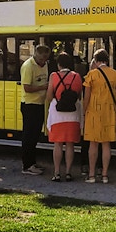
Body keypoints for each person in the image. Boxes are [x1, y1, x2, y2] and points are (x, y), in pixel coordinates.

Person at [83, 49, 116, 184]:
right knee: (106, 145)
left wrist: (84, 111)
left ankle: (91, 175)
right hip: (109, 112)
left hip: (94, 112)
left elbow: (87, 96)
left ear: (95, 60)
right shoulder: (115, 74)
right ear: (107, 60)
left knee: (93, 144)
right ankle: (105, 175)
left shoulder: (91, 74)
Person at [46, 52, 83, 181]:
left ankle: (56, 172)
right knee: (70, 144)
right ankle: (68, 172)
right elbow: (78, 96)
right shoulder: (77, 77)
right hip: (72, 114)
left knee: (57, 144)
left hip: (57, 114)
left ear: (58, 64)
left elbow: (49, 96)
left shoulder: (53, 76)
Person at [20, 44, 51, 175]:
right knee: (29, 136)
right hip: (29, 104)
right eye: (41, 60)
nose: (43, 62)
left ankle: (32, 162)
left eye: (45, 60)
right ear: (36, 55)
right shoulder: (28, 66)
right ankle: (27, 166)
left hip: (40, 104)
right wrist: (43, 87)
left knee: (35, 136)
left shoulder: (45, 64)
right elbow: (27, 87)